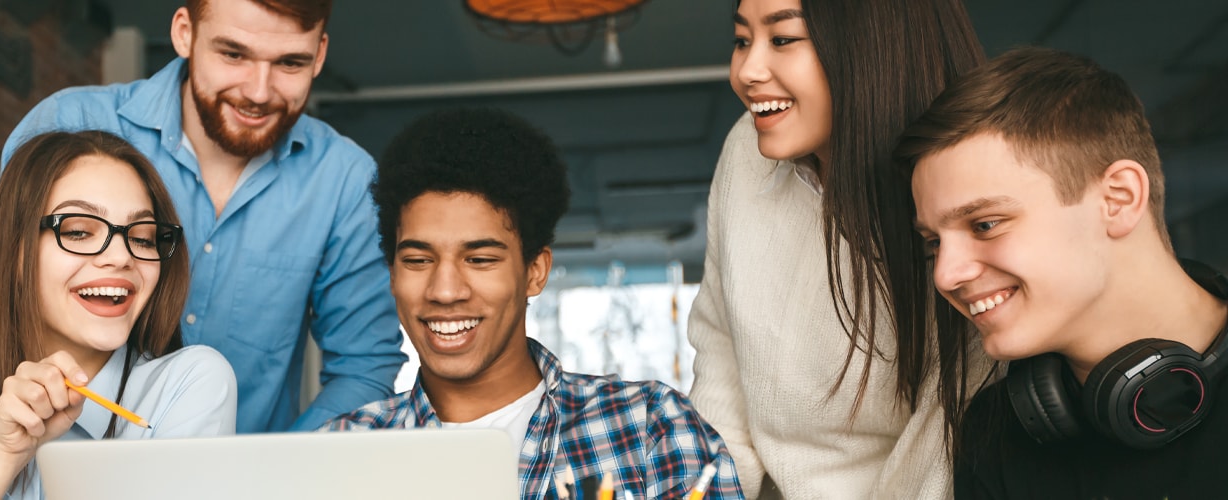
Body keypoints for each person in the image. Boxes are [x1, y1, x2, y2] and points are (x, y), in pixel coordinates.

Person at [0, 0, 405, 433]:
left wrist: (276, 475)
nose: (258, 91)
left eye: (290, 63)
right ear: (184, 33)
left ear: (321, 54)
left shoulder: (344, 179)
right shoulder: (71, 122)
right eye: (233, 54)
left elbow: (363, 367)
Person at [321, 108, 743, 499]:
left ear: (535, 272)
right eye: (417, 260)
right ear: (393, 274)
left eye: (480, 260)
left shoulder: (648, 426)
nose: (445, 291)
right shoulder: (340, 450)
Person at [686, 0, 987, 497]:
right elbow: (721, 358)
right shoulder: (745, 151)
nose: (747, 71)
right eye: (742, 40)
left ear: (872, 46)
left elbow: (944, 443)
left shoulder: (963, 183)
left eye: (783, 40)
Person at [900, 47, 1228, 499]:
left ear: (1119, 199)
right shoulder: (995, 435)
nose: (946, 275)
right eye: (934, 243)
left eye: (985, 225)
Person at [0, 131, 237, 499]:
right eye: (77, 231)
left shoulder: (187, 387)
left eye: (142, 238)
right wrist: (0, 457)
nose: (122, 257)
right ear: (16, 252)